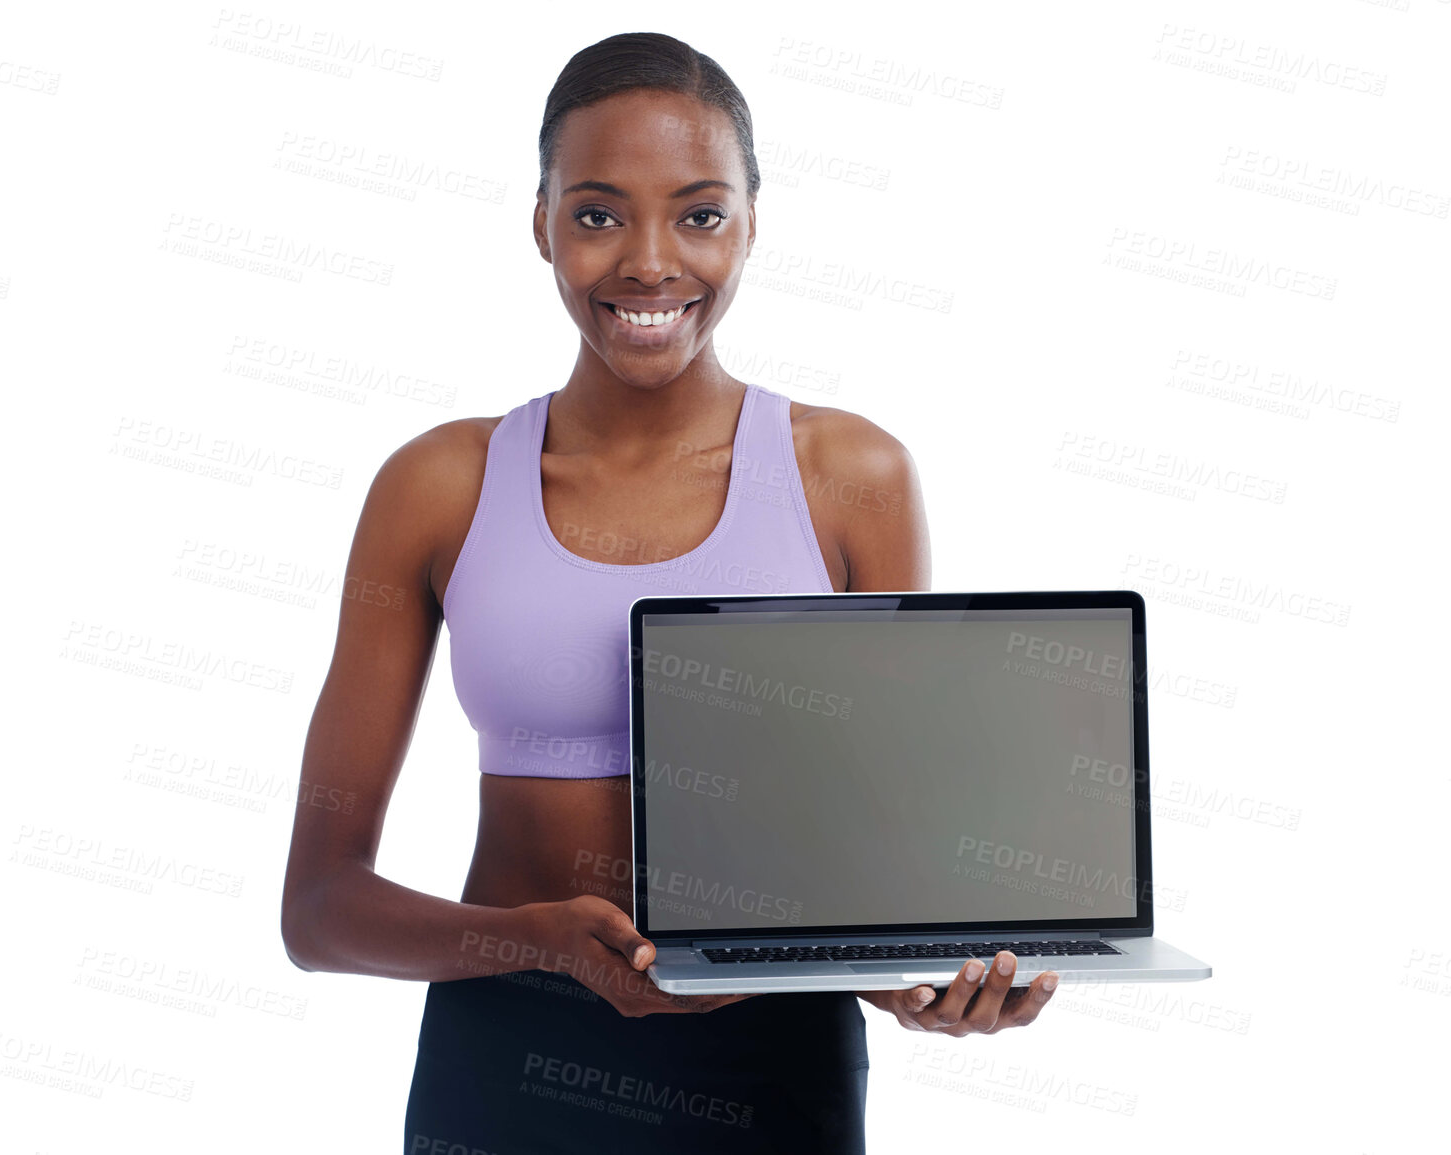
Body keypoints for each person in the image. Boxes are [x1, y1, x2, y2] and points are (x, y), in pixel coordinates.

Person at [279, 31, 1061, 1154]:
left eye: (699, 213)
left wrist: (918, 983)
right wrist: (538, 945)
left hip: (772, 1066)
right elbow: (318, 911)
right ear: (540, 221)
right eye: (598, 213)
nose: (651, 262)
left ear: (751, 224)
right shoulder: (438, 485)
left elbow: (880, 877)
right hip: (506, 1060)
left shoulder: (852, 479)